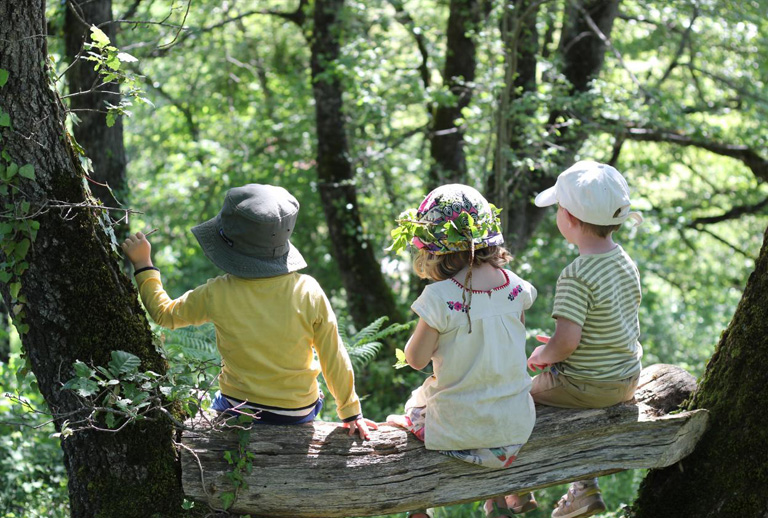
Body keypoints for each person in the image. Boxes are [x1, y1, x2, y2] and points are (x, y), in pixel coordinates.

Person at [121, 184, 375, 439]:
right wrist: (350, 411)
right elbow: (334, 354)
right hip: (297, 412)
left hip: (237, 408)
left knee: (211, 398)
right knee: (312, 393)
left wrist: (143, 264)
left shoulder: (218, 292)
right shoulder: (308, 290)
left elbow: (164, 314)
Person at [385, 184, 538, 518]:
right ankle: (506, 494)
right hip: (515, 427)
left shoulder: (440, 297)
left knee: (411, 408)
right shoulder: (515, 286)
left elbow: (415, 359)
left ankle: (417, 510)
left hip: (458, 432)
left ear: (434, 251)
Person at [524, 160, 644, 518]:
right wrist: (561, 345)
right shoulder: (623, 261)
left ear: (571, 220)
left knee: (515, 396)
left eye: (559, 208)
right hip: (626, 377)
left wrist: (544, 355)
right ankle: (583, 485)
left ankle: (525, 488)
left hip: (588, 384)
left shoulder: (575, 275)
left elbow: (566, 345)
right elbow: (607, 323)